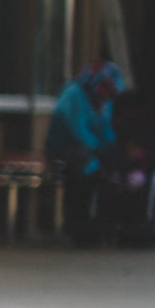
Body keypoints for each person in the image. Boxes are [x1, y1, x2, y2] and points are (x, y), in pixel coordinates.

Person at [47, 60, 122, 242]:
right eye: (103, 87)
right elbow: (77, 130)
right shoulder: (74, 94)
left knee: (109, 168)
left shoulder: (105, 102)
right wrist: (98, 151)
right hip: (65, 147)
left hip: (89, 148)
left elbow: (106, 130)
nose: (105, 94)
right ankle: (79, 225)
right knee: (87, 170)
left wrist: (111, 151)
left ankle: (102, 223)